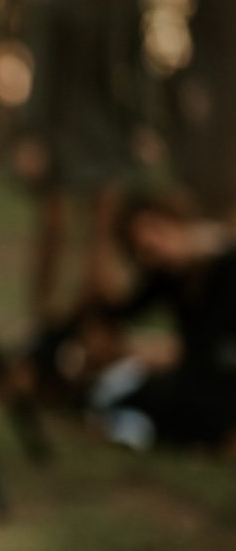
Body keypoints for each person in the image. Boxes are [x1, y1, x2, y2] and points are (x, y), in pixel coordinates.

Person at [15, 0, 150, 325]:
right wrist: (32, 134)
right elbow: (42, 67)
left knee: (103, 232)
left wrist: (143, 123)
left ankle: (93, 324)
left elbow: (138, 64)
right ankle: (41, 319)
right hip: (60, 120)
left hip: (106, 122)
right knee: (54, 225)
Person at [86, 191, 236, 451]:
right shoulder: (167, 275)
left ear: (176, 221)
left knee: (165, 395)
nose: (153, 244)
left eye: (157, 230)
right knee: (130, 394)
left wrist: (158, 352)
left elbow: (209, 343)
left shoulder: (226, 263)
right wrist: (101, 236)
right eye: (143, 247)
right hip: (199, 374)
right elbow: (113, 311)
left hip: (224, 372)